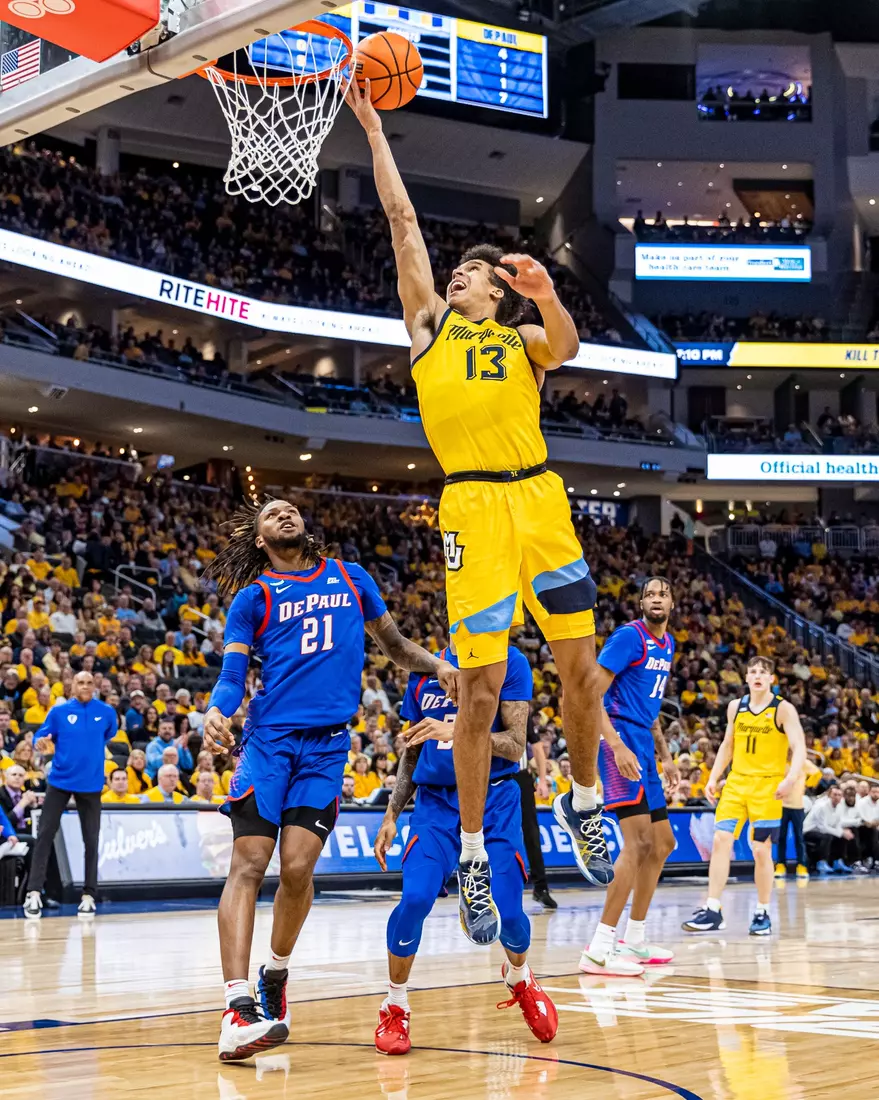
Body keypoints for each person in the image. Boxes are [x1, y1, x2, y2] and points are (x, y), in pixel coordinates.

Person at [348, 83, 611, 945]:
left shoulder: (519, 337)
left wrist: (545, 292)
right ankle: (468, 855)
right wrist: (376, 132)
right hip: (470, 508)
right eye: (456, 270)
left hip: (538, 497)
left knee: (578, 669)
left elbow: (566, 346)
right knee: (478, 691)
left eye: (474, 273)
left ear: (494, 294)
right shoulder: (429, 327)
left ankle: (578, 799)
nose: (456, 274)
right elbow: (401, 225)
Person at [201, 497, 458, 1062]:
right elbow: (232, 675)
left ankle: (276, 972)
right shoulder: (253, 599)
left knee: (296, 867)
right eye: (272, 513)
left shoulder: (351, 576)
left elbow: (393, 647)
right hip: (269, 743)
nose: (285, 514)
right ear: (261, 537)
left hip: (328, 746)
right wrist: (218, 712)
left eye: (291, 509)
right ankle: (235, 1007)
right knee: (249, 861)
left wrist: (437, 664)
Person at [372, 643, 557, 1055]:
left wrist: (458, 731)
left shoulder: (512, 663)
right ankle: (395, 1005)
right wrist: (391, 815)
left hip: (496, 800)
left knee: (509, 912)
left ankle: (520, 975)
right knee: (416, 897)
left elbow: (514, 744)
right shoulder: (426, 671)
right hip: (437, 803)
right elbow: (412, 750)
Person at [581, 577, 678, 976]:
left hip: (642, 741)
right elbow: (590, 695)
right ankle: (599, 949)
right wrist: (616, 745)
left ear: (672, 603)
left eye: (663, 594)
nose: (657, 599)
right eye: (650, 594)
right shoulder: (628, 638)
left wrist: (666, 755)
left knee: (663, 843)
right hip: (618, 739)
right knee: (637, 843)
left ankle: (634, 939)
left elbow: (650, 708)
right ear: (641, 603)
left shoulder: (667, 644)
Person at [682, 656, 806, 936]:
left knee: (761, 851)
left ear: (772, 679)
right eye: (753, 671)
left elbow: (799, 747)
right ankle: (713, 909)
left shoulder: (783, 709)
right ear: (746, 678)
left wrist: (791, 778)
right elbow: (727, 744)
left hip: (767, 787)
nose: (758, 675)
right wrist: (713, 777)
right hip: (737, 783)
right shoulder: (735, 707)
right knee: (720, 839)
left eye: (764, 671)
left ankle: (762, 910)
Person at [22, 670, 118, 919]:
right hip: (60, 781)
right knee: (44, 834)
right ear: (72, 686)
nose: (85, 686)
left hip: (92, 784)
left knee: (91, 840)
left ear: (95, 685)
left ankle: (88, 896)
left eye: (89, 682)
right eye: (80, 682)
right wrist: (40, 742)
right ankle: (33, 893)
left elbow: (108, 735)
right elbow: (41, 737)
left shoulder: (107, 713)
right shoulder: (59, 712)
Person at [774, 754, 822, 880]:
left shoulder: (802, 763)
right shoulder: (779, 761)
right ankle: (780, 865)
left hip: (797, 805)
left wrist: (807, 784)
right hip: (781, 805)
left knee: (799, 838)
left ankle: (801, 865)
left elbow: (817, 774)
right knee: (781, 837)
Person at [803, 786, 846, 872]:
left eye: (839, 795)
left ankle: (837, 862)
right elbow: (822, 827)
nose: (837, 797)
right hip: (810, 831)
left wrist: (841, 833)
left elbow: (838, 824)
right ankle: (822, 862)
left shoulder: (840, 807)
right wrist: (840, 833)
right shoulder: (822, 806)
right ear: (830, 795)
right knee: (828, 836)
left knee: (842, 837)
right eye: (835, 794)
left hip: (824, 831)